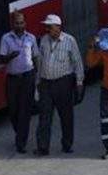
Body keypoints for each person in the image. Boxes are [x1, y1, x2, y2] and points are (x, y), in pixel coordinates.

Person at [35, 14, 84, 156]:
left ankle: (67, 144)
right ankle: (43, 147)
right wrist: (37, 83)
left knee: (66, 116)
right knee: (44, 116)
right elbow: (40, 63)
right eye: (46, 27)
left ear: (58, 27)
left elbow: (77, 63)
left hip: (63, 83)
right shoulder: (44, 40)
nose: (47, 29)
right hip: (46, 84)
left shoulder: (70, 41)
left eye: (49, 27)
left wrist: (79, 83)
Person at [0, 11, 39, 154]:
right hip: (12, 78)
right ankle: (20, 133)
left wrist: (38, 77)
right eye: (17, 23)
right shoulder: (6, 38)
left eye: (22, 22)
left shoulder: (31, 38)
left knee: (25, 111)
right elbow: (1, 59)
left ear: (25, 23)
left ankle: (21, 142)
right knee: (13, 111)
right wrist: (11, 56)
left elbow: (36, 57)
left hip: (28, 76)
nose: (20, 25)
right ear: (13, 24)